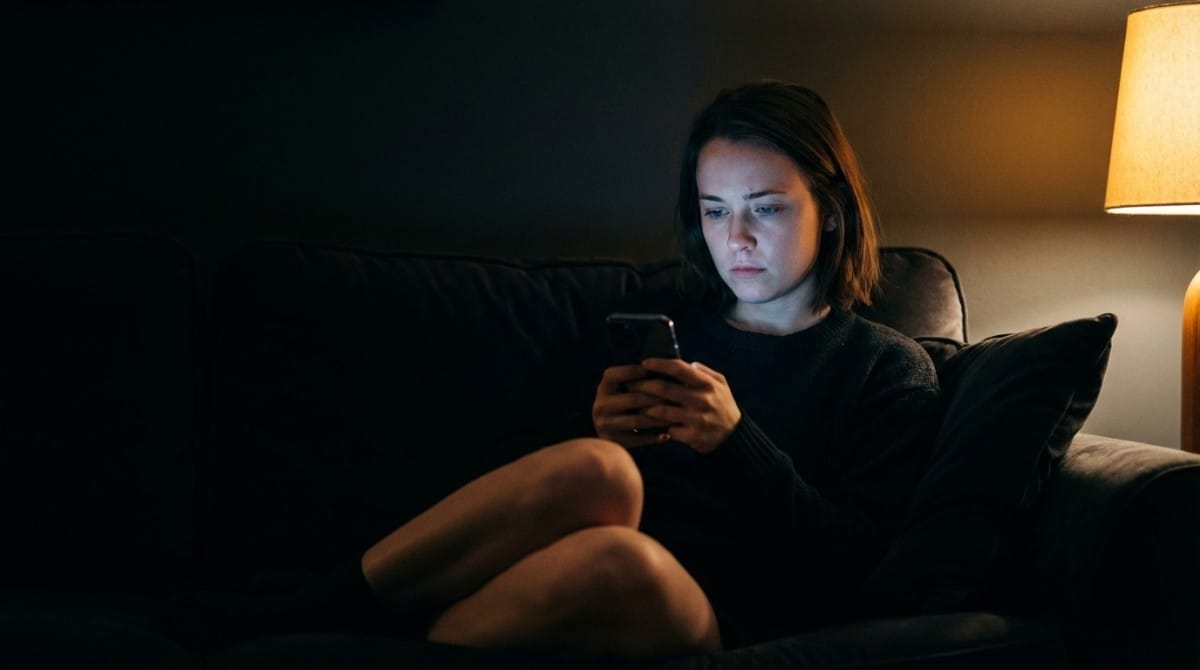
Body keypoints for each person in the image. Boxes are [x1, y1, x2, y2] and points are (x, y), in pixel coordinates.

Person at [349, 80, 940, 659]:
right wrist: (594, 427)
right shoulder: (657, 330)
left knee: (621, 560)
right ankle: (340, 611)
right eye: (716, 210)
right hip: (565, 579)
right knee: (597, 465)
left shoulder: (885, 367)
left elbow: (858, 561)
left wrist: (736, 443)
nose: (737, 238)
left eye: (766, 208)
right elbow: (508, 471)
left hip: (733, 612)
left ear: (830, 212)